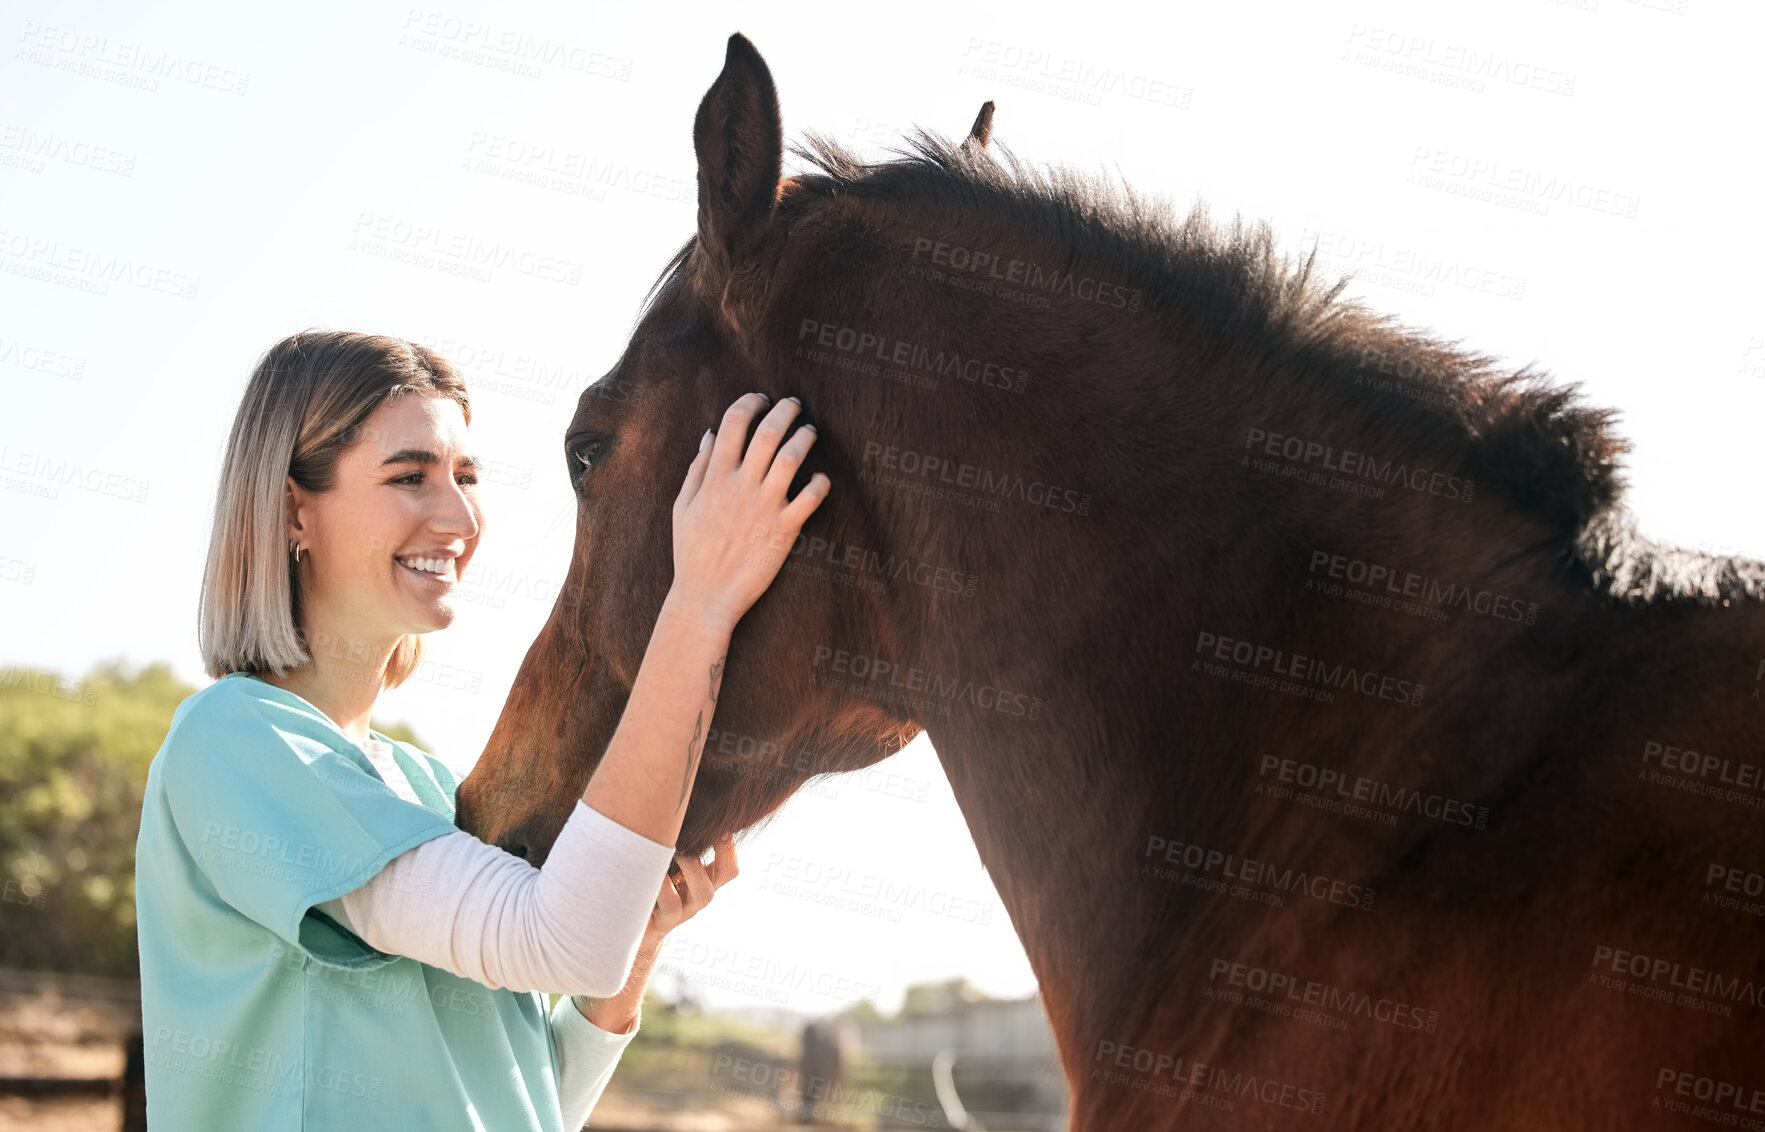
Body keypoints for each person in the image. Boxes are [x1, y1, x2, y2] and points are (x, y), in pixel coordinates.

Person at [134, 330, 829, 1130]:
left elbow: (519, 1103)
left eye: (467, 476)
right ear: (295, 509)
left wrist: (633, 954)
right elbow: (558, 941)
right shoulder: (234, 743)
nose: (460, 516)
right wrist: (700, 599)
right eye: (410, 476)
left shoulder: (426, 788)